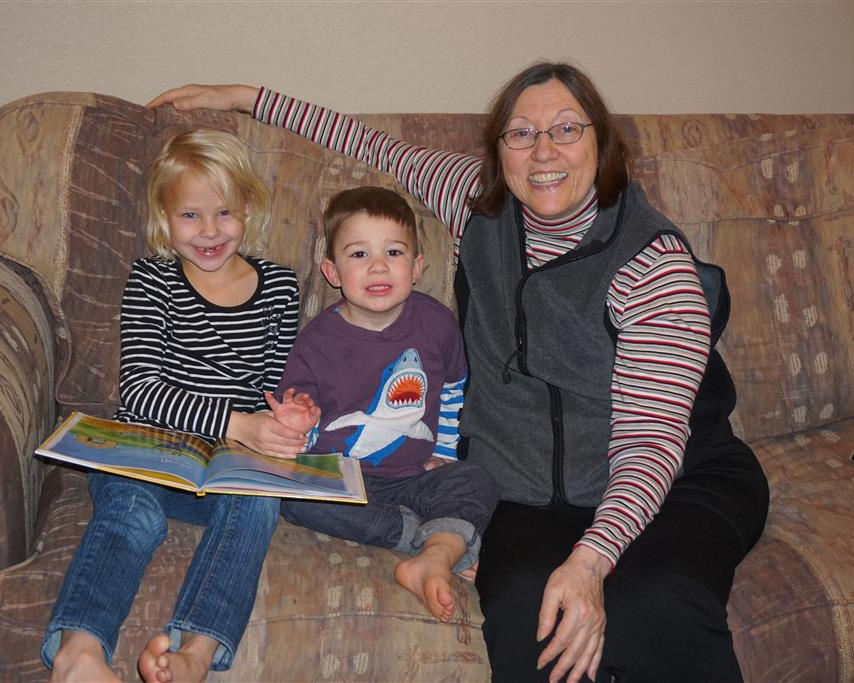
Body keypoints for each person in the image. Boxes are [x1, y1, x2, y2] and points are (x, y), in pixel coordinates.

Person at [148, 61, 769, 683]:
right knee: (527, 615)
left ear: (601, 143)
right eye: (521, 133)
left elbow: (650, 443)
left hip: (675, 482)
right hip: (525, 493)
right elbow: (371, 144)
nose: (543, 151)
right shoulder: (478, 205)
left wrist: (591, 561)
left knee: (656, 605)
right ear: (499, 150)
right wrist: (245, 96)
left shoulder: (655, 265)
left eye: (566, 129)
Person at [41, 128, 315, 683]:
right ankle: (79, 652)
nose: (210, 231)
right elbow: (140, 390)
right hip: (145, 453)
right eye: (191, 215)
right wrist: (239, 424)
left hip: (224, 471)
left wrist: (287, 416)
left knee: (258, 504)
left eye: (224, 213)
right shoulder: (152, 280)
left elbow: (270, 387)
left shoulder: (281, 288)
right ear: (164, 218)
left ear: (248, 209)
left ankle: (195, 653)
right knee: (131, 514)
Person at [274, 185, 499, 622]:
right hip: (342, 480)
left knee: (479, 479)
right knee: (293, 500)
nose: (378, 265)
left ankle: (436, 549)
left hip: (415, 477)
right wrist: (300, 422)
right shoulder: (315, 342)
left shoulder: (437, 324)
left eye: (394, 252)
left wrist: (444, 452)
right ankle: (432, 541)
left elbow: (454, 389)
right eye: (359, 254)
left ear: (416, 267)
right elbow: (299, 417)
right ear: (332, 271)